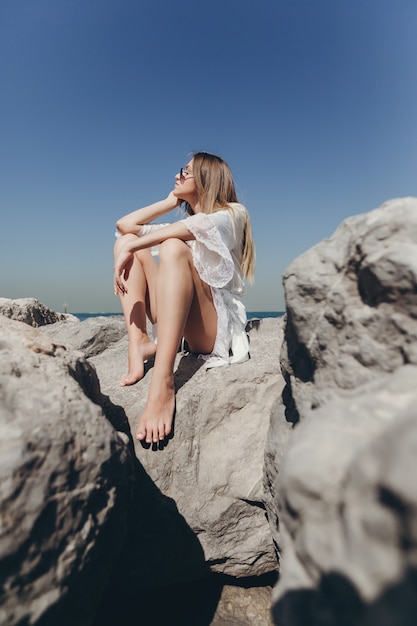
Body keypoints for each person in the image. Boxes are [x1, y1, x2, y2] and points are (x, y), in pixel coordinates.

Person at [113, 151, 255, 445]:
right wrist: (169, 203)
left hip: (210, 327)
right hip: (178, 321)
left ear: (206, 179)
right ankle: (138, 341)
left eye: (186, 172)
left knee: (172, 247)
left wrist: (144, 242)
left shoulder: (233, 213)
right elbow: (124, 226)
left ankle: (163, 381)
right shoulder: (183, 223)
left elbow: (193, 228)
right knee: (128, 242)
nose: (177, 175)